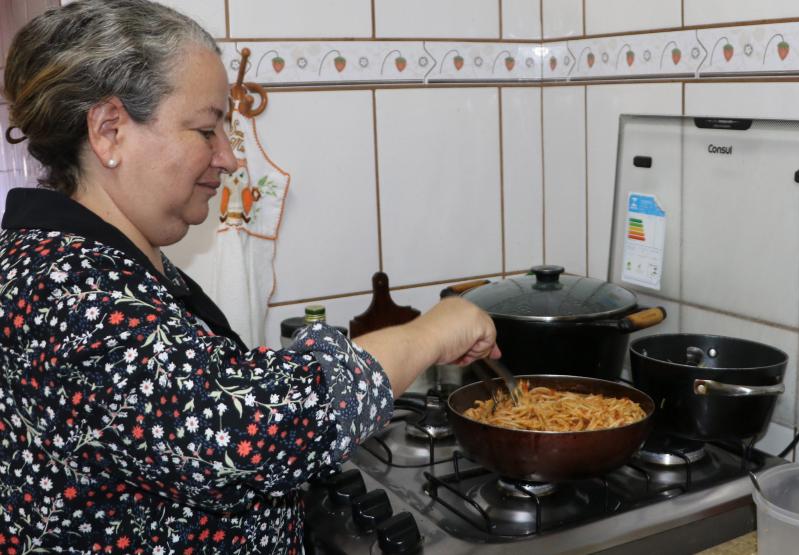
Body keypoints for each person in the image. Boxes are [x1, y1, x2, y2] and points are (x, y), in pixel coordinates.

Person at [0, 0, 499, 552]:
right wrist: (429, 333)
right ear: (110, 130)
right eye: (206, 129)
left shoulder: (95, 260)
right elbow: (249, 431)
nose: (229, 159)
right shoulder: (69, 287)